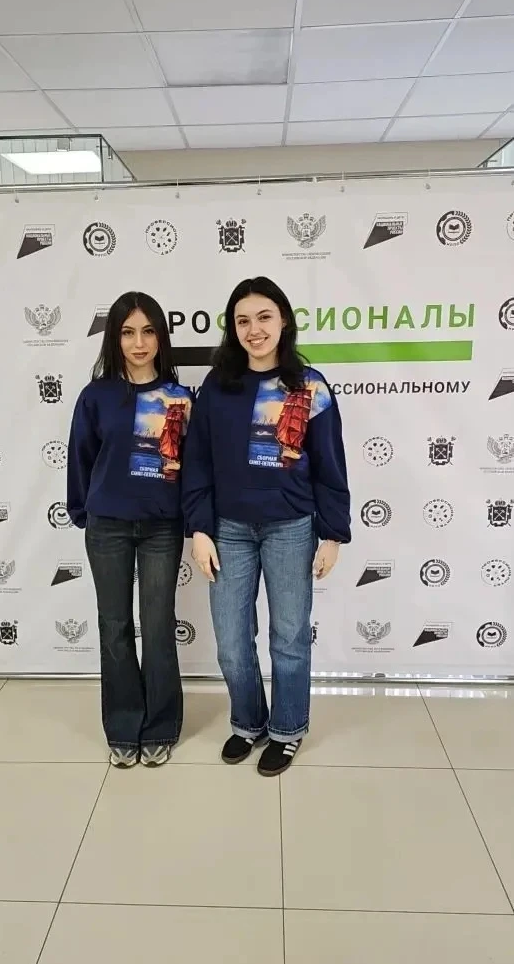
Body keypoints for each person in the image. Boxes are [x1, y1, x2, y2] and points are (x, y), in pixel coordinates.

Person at [182, 276, 350, 777]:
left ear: (283, 321)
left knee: (289, 639)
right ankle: (248, 722)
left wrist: (333, 533)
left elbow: (330, 464)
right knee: (232, 642)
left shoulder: (310, 386)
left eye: (263, 317)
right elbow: (197, 462)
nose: (253, 330)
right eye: (242, 321)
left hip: (291, 528)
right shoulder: (218, 386)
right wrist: (200, 528)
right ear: (232, 329)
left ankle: (287, 729)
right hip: (228, 530)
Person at [67, 292, 193, 769]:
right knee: (115, 626)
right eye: (127, 332)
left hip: (162, 527)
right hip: (108, 527)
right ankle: (123, 725)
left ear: (161, 337)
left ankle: (160, 725)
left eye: (148, 331)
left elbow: (192, 467)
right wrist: (83, 511)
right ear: (114, 338)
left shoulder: (180, 398)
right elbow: (80, 458)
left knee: (158, 627)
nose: (139, 343)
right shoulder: (95, 396)